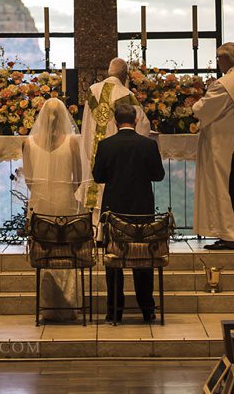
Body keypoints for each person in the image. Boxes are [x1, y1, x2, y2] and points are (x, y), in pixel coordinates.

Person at [92, 101, 165, 323]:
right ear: (135, 121)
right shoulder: (148, 145)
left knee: (114, 259)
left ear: (115, 122)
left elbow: (98, 177)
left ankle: (114, 311)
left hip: (114, 210)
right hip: (142, 208)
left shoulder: (106, 145)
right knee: (143, 258)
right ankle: (147, 309)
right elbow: (158, 175)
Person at [22, 97, 90, 321]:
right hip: (64, 202)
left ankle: (47, 306)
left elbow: (29, 181)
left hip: (40, 203)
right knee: (68, 250)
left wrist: (43, 190)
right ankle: (69, 304)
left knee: (44, 252)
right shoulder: (71, 142)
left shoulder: (28, 142)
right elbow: (79, 178)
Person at [192, 42, 234, 248]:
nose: (218, 62)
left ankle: (229, 234)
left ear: (227, 59)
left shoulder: (225, 83)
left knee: (222, 185)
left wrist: (194, 102)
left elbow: (202, 109)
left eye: (219, 58)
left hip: (222, 142)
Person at [80, 57, 150, 215]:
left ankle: (97, 234)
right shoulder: (127, 95)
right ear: (125, 75)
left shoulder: (92, 91)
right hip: (119, 162)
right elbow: (142, 126)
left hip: (94, 152)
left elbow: (86, 125)